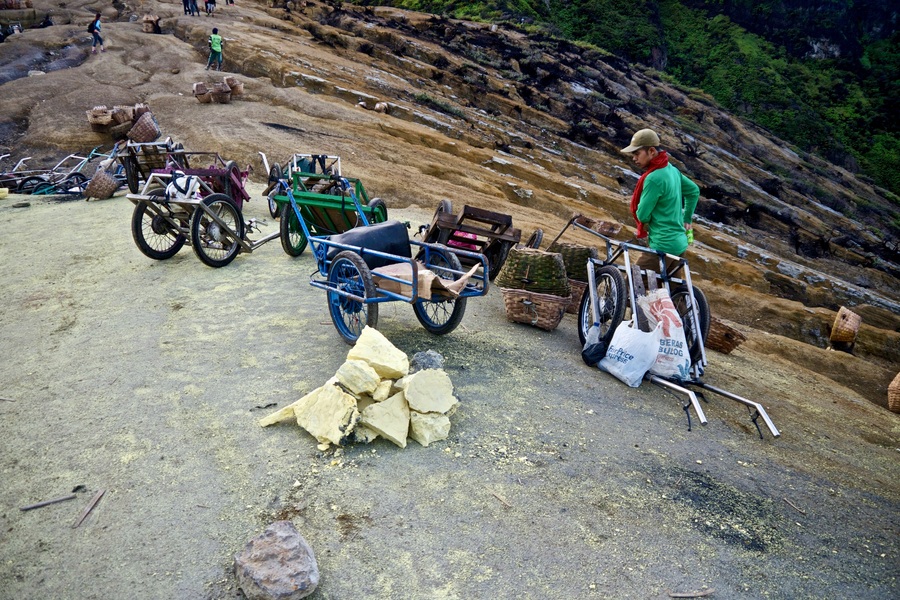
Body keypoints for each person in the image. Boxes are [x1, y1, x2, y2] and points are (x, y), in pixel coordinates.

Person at [620, 128, 700, 274]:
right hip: (680, 244)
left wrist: (650, 223)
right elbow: (693, 191)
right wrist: (686, 218)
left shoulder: (654, 178)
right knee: (672, 291)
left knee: (632, 282)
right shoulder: (672, 170)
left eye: (637, 153)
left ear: (651, 151)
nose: (634, 158)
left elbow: (642, 215)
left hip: (662, 245)